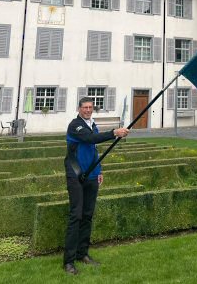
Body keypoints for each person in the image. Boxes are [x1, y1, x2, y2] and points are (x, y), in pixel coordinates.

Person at [63, 97, 129, 275]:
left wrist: (99, 171)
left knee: (87, 215)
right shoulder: (75, 125)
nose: (87, 110)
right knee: (76, 216)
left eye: (90, 107)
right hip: (76, 175)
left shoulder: (93, 124)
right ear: (79, 109)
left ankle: (82, 254)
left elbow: (94, 150)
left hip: (91, 175)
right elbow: (90, 139)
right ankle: (68, 262)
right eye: (84, 107)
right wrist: (114, 132)